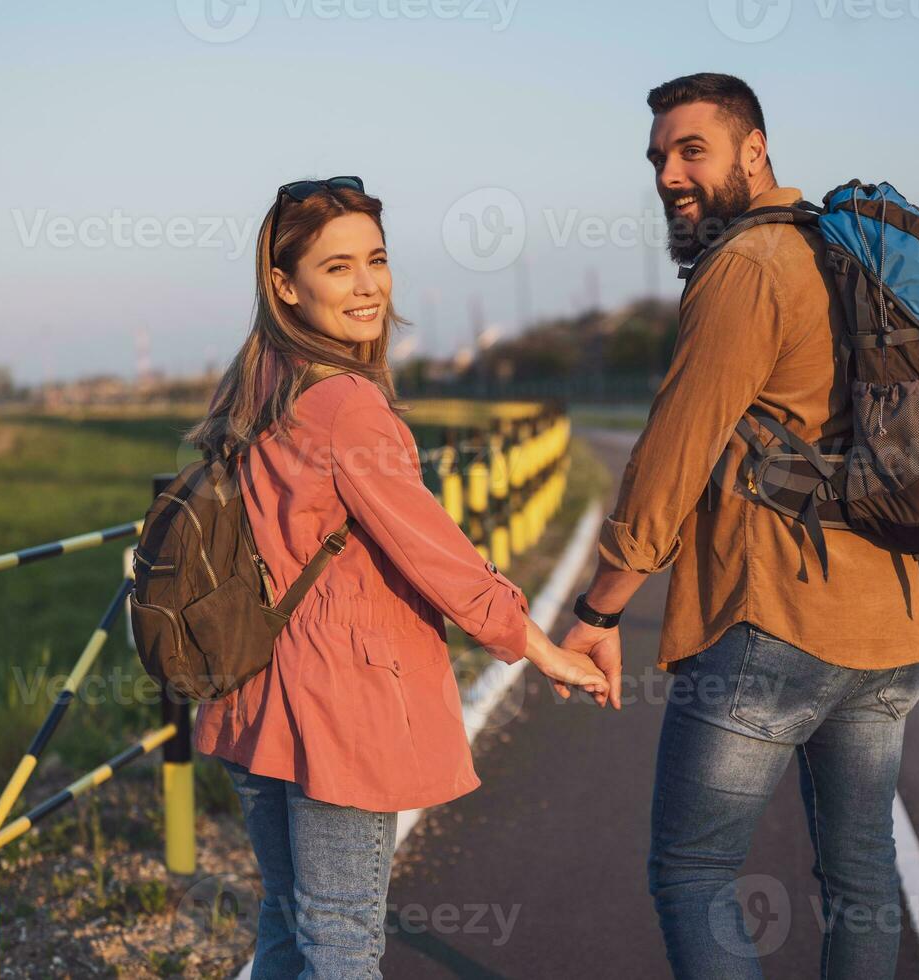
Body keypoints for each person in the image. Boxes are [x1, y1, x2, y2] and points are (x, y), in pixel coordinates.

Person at [559, 74, 919, 979]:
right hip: (890, 623)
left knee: (693, 871)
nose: (668, 174)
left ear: (754, 151)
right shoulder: (846, 250)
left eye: (693, 150)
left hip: (776, 622)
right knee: (862, 877)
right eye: (658, 157)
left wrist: (601, 610)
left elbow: (671, 456)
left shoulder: (746, 266)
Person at [186, 177, 608, 979]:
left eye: (375, 260)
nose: (367, 284)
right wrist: (540, 647)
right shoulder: (347, 403)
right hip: (337, 708)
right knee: (343, 943)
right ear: (285, 285)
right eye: (337, 267)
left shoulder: (256, 382)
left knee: (289, 924)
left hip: (252, 693)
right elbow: (434, 550)